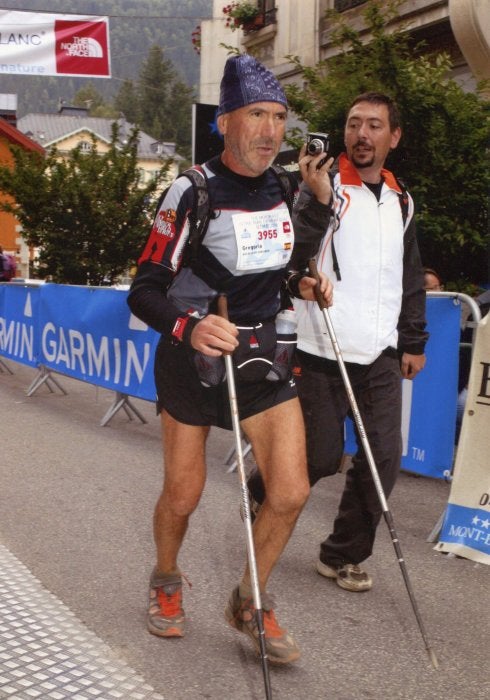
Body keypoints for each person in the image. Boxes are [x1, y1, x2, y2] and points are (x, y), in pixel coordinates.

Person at [127, 54, 333, 664]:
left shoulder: (287, 187)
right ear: (225, 122)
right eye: (256, 116)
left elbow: (281, 267)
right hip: (193, 359)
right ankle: (166, 577)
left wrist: (305, 281)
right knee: (183, 494)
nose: (270, 131)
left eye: (279, 117)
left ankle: (250, 599)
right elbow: (144, 289)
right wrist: (189, 326)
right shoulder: (192, 190)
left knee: (290, 491)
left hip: (262, 355)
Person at [248, 92, 428, 592]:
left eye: (374, 125)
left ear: (394, 137)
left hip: (380, 351)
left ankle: (342, 554)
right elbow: (290, 255)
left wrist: (412, 340)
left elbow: (408, 276)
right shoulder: (321, 186)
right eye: (353, 124)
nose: (361, 134)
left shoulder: (401, 200)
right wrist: (318, 198)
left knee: (382, 459)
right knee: (321, 457)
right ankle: (262, 488)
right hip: (320, 348)